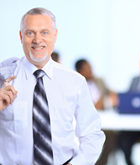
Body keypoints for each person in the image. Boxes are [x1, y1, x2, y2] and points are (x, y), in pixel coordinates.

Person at [0, 8, 105, 165]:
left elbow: (91, 133)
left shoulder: (75, 81)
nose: (37, 39)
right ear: (21, 36)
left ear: (55, 35)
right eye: (30, 33)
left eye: (44, 33)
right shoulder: (3, 78)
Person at [75, 59, 117, 165]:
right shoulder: (75, 83)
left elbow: (110, 94)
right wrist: (98, 104)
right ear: (79, 71)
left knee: (112, 136)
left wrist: (111, 98)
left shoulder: (99, 81)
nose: (90, 71)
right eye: (86, 69)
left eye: (90, 68)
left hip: (103, 121)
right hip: (85, 123)